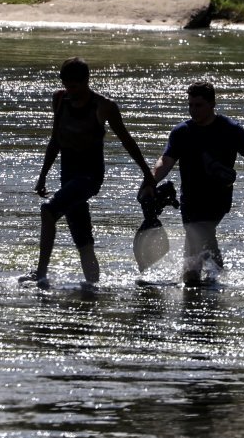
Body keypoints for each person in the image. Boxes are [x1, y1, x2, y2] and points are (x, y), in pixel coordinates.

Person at [20, 56, 155, 289]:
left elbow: (127, 141)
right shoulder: (60, 99)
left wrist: (147, 174)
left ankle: (40, 275)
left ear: (86, 81)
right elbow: (55, 140)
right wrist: (43, 175)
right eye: (66, 85)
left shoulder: (104, 106)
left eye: (74, 86)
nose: (70, 90)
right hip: (68, 176)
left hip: (90, 177)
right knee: (81, 237)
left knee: (48, 210)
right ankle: (93, 287)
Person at [153, 81, 244, 285]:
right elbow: (164, 162)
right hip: (190, 201)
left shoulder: (231, 130)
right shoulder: (182, 132)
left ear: (212, 104)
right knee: (199, 252)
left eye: (199, 105)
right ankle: (218, 282)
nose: (193, 110)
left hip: (217, 200)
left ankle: (205, 286)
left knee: (196, 243)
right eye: (190, 105)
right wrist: (148, 183)